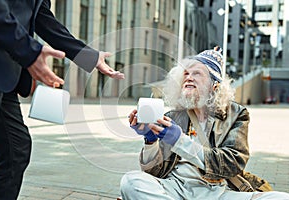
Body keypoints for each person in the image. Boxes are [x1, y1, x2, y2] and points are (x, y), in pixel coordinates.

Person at [0, 1, 124, 199]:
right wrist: (29, 51)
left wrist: (88, 56)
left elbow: (42, 17)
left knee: (14, 150)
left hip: (4, 74)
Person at [120, 47, 289, 200]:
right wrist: (150, 141)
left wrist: (179, 141)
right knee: (131, 181)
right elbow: (155, 173)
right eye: (185, 74)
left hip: (217, 192)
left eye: (197, 73)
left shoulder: (236, 115)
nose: (188, 78)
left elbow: (233, 163)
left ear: (214, 86)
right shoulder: (173, 116)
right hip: (175, 188)